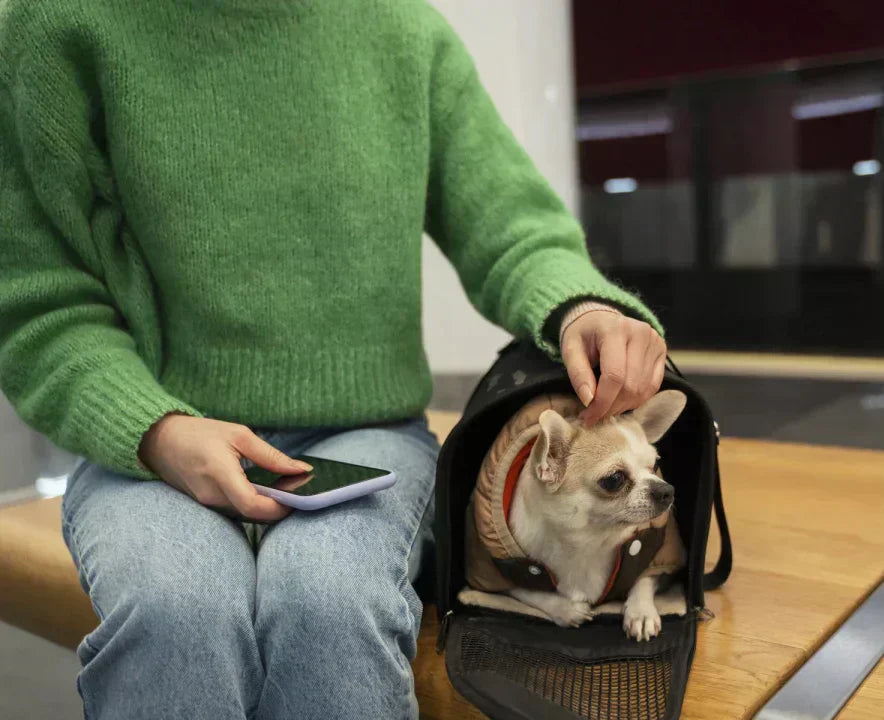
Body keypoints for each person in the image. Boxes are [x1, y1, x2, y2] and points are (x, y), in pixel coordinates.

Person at [0, 1, 666, 718]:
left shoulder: (404, 30)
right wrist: (156, 430)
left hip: (363, 435)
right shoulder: (52, 23)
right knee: (176, 611)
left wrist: (582, 307)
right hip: (152, 441)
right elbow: (38, 296)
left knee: (331, 604)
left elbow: (510, 225)